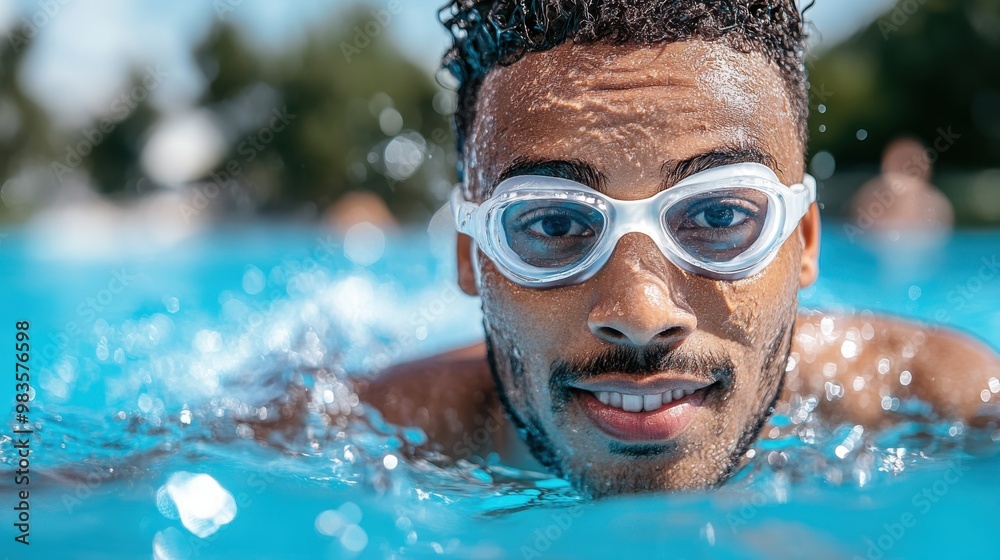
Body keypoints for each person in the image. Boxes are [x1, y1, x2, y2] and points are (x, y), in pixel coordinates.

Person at [355, 0, 1000, 497]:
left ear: (803, 241)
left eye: (718, 215)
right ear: (470, 255)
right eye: (553, 224)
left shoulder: (951, 400)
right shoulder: (368, 429)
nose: (641, 314)